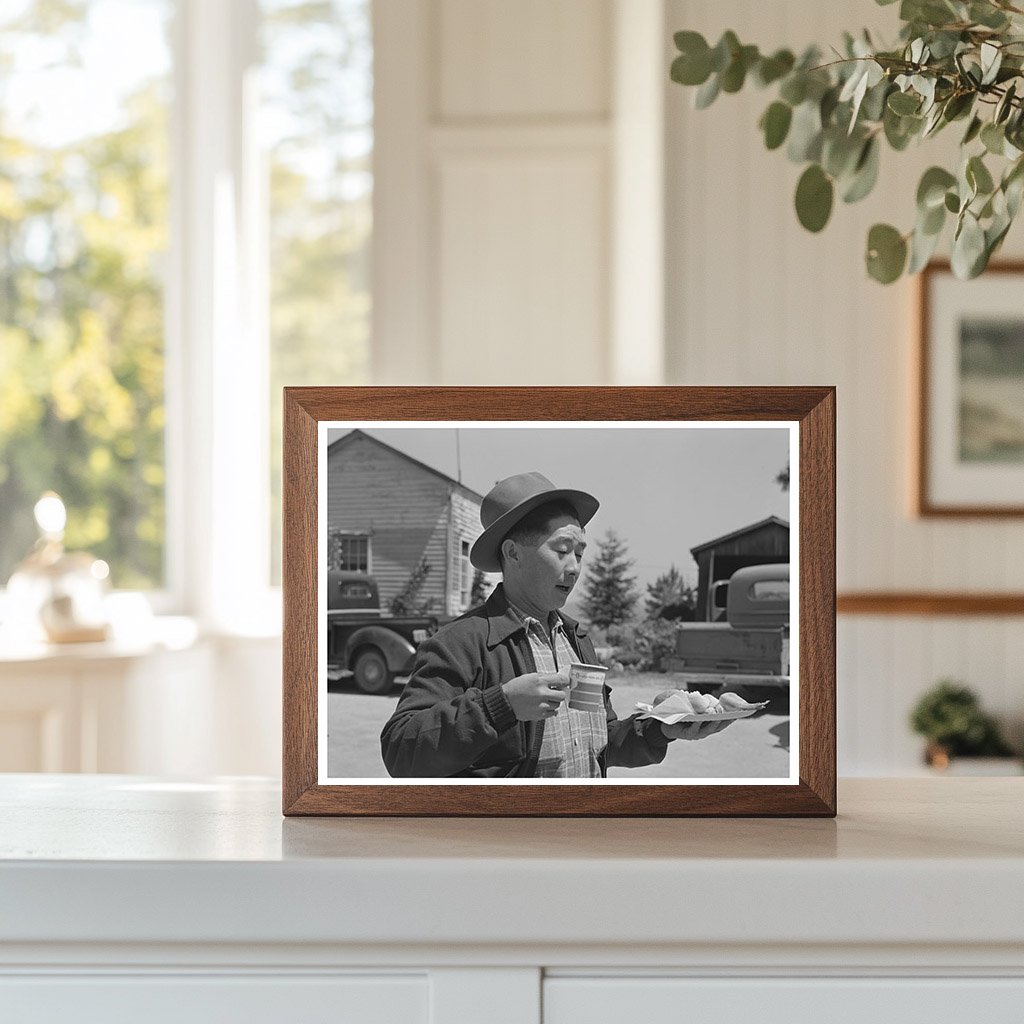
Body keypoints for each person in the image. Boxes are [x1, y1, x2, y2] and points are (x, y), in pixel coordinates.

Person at [380, 471, 732, 778]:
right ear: (513, 553)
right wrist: (499, 706)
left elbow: (600, 739)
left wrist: (664, 724)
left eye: (580, 553)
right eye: (562, 550)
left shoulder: (576, 639)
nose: (576, 567)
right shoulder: (460, 643)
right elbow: (400, 752)